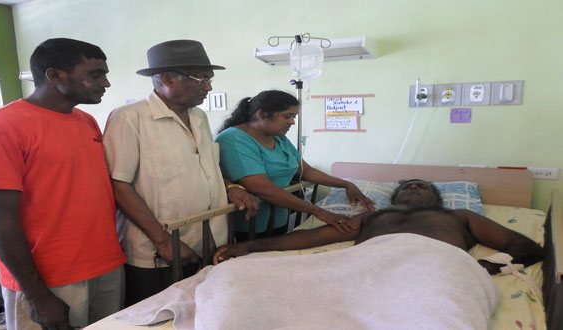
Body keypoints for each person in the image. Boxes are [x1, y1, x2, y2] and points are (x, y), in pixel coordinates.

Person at [0, 38, 126, 330]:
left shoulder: (85, 121)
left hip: (105, 263)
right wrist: (36, 295)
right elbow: (1, 221)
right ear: (55, 75)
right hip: (50, 278)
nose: (106, 83)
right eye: (95, 74)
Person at [102, 39, 258, 306]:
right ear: (166, 79)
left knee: (200, 311)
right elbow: (119, 184)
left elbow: (205, 166)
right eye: (200, 78)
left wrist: (232, 187)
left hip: (209, 238)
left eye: (209, 78)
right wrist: (163, 241)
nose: (208, 87)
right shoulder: (130, 118)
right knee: (159, 315)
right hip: (158, 249)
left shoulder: (199, 117)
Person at [214, 179, 544, 274]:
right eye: (407, 187)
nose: (414, 189)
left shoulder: (459, 217)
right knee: (246, 279)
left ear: (437, 198)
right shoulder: (372, 218)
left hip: (433, 266)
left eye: (421, 186)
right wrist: (249, 247)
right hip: (365, 265)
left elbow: (526, 247)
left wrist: (485, 267)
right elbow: (311, 237)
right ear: (394, 197)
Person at [215, 90, 375, 241]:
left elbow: (307, 171)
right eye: (287, 116)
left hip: (278, 217)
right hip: (249, 222)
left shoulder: (278, 138)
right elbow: (260, 187)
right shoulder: (234, 139)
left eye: (294, 117)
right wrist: (318, 212)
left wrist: (346, 184)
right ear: (262, 114)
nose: (292, 122)